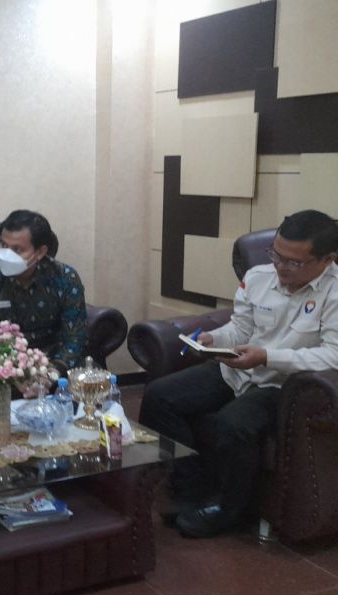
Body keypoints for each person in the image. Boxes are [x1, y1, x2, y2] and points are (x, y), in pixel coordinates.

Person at [139, 210, 338, 538]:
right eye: (276, 255)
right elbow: (241, 328)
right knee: (160, 396)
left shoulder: (333, 294)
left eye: (294, 262)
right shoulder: (258, 277)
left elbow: (332, 354)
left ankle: (229, 511)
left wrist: (267, 357)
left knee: (233, 423)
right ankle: (192, 490)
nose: (280, 266)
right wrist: (213, 339)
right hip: (239, 369)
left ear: (327, 259)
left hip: (283, 384)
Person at [0, 210, 88, 384]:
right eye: (3, 245)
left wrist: (51, 372)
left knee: (90, 379)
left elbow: (74, 337)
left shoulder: (65, 278)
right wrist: (8, 372)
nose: (7, 255)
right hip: (0, 363)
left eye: (17, 249)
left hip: (52, 360)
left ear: (40, 252)